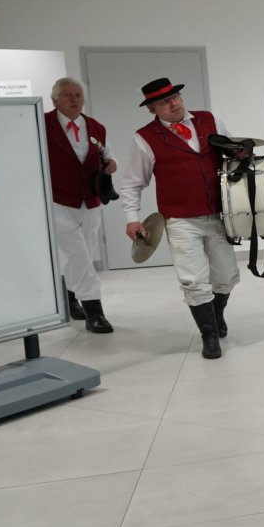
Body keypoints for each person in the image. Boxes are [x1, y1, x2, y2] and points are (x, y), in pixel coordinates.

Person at [116, 78, 239, 359]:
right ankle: (209, 335)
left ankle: (216, 314)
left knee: (226, 275)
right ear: (152, 109)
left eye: (175, 97)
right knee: (193, 279)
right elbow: (133, 183)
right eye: (164, 102)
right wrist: (132, 218)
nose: (173, 104)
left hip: (219, 213)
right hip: (180, 219)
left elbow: (232, 153)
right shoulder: (145, 138)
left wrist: (241, 154)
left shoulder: (210, 120)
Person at [44, 78, 117, 334]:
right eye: (68, 95)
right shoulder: (42, 125)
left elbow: (106, 155)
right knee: (79, 254)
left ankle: (68, 296)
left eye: (78, 95)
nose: (75, 99)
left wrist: (111, 164)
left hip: (90, 200)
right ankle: (94, 311)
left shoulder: (96, 127)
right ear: (55, 100)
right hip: (57, 200)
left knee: (83, 251)